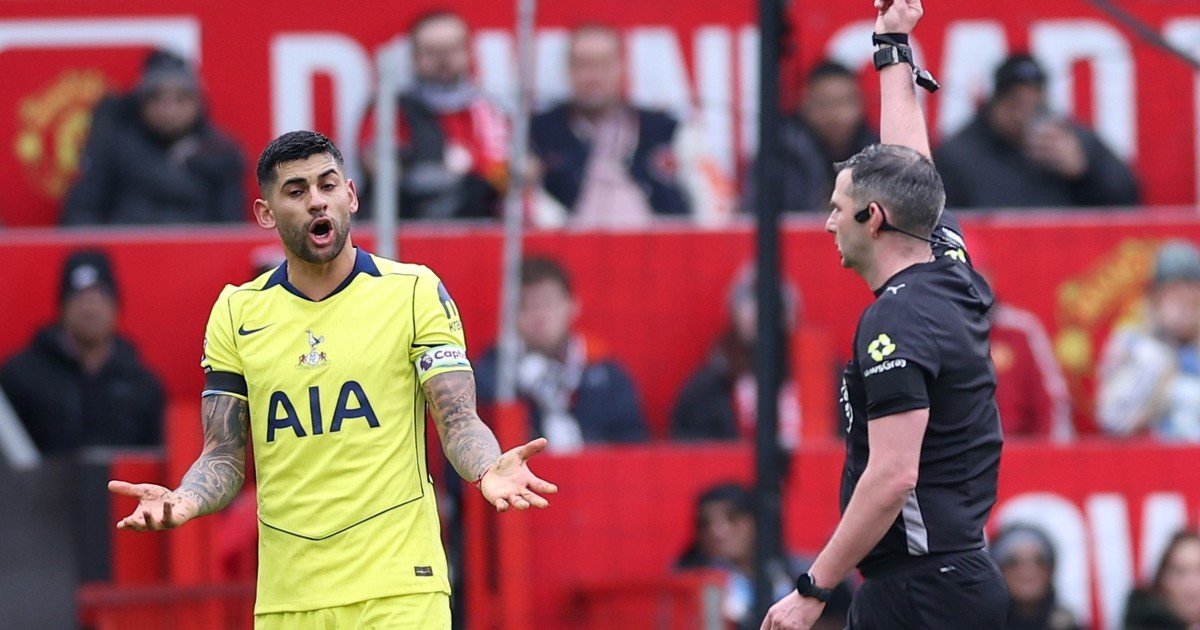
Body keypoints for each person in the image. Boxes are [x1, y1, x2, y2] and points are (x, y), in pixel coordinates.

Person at [106, 131, 556, 628]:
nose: (316, 200)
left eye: (327, 185)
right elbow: (223, 455)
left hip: (399, 588)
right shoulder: (236, 311)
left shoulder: (413, 292)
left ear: (351, 195)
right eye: (296, 191)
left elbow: (457, 418)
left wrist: (487, 468)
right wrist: (184, 500)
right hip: (288, 597)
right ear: (266, 213)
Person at [762, 1, 1008, 628]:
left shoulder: (893, 323)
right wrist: (892, 46)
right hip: (954, 578)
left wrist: (811, 589)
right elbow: (913, 169)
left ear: (873, 219)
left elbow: (894, 475)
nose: (828, 223)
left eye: (838, 208)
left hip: (922, 591)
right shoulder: (949, 266)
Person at [528, 24, 698, 227]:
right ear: (569, 69)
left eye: (603, 64)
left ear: (621, 66)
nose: (593, 76)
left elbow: (711, 200)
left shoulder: (666, 130)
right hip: (570, 249)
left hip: (659, 248)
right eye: (584, 64)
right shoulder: (538, 133)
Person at [475, 257, 648, 452]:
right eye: (526, 305)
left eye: (548, 303)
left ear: (572, 305)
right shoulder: (491, 376)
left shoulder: (606, 374)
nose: (539, 315)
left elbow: (633, 449)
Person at [0, 250, 164, 455]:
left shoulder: (142, 384)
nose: (91, 308)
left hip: (119, 486)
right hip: (40, 486)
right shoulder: (20, 378)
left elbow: (155, 464)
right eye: (80, 297)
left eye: (101, 296)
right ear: (62, 306)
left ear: (116, 306)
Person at [61, 50, 246, 225]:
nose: (168, 110)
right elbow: (81, 216)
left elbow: (229, 231)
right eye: (156, 98)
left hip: (197, 256)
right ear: (140, 103)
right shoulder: (114, 150)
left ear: (198, 103)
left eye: (181, 99)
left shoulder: (221, 156)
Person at [933, 53, 1139, 210]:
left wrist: (1085, 173)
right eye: (1015, 104)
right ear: (994, 103)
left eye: (1033, 105)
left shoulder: (1074, 142)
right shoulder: (958, 156)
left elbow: (1128, 200)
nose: (1022, 116)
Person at [358, 10, 508, 220]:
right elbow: (377, 165)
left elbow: (507, 172)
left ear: (468, 52)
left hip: (480, 229)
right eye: (431, 51)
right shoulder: (390, 108)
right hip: (412, 226)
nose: (443, 60)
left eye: (452, 49)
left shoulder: (489, 110)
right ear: (414, 56)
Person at [676, 483, 853, 630]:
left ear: (756, 522)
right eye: (706, 524)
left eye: (732, 518)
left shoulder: (808, 572)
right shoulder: (686, 581)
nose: (718, 532)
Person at [671, 265, 802, 449]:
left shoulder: (820, 377)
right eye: (752, 299)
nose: (761, 310)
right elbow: (691, 457)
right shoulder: (707, 390)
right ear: (734, 312)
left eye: (772, 301)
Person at [1096, 240, 1200, 441]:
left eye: (1192, 291)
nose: (1184, 301)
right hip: (1150, 464)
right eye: (1174, 291)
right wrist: (1163, 368)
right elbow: (1113, 422)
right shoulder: (1133, 345)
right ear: (1155, 298)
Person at [747, 61, 879, 213]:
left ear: (861, 103)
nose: (835, 115)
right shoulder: (781, 153)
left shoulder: (878, 153)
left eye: (844, 102)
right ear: (805, 104)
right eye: (824, 104)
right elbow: (753, 214)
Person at [990, 301, 1073, 439]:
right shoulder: (946, 332)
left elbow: (1052, 398)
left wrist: (1050, 456)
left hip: (1016, 449)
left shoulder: (1019, 330)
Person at [990, 523, 1081, 630]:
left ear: (1050, 570)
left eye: (1039, 561)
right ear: (998, 571)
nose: (1027, 573)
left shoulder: (1068, 625)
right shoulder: (980, 623)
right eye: (1013, 563)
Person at [1122, 530, 1200, 629]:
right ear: (1162, 582)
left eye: (1199, 571)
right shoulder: (1141, 621)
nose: (1192, 587)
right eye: (1180, 573)